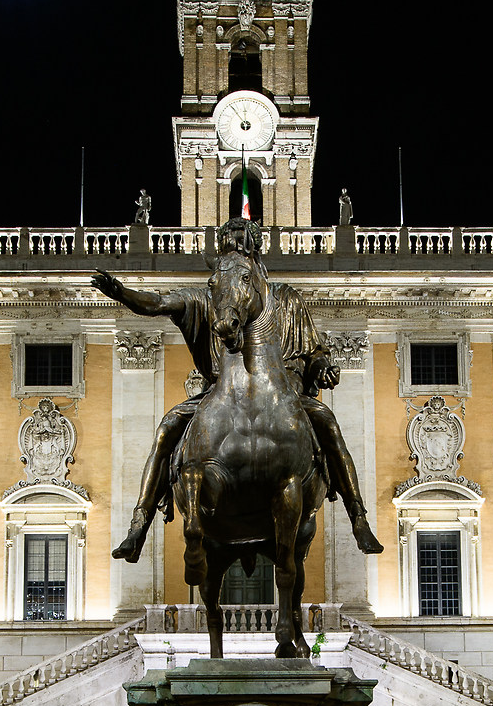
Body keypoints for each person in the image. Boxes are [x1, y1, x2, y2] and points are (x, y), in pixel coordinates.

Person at [93, 221, 381, 562]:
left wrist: (323, 369)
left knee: (329, 426)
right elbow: (158, 303)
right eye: (227, 244)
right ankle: (139, 523)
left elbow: (314, 351)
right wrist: (121, 293)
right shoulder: (208, 299)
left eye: (240, 244)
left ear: (254, 253)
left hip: (286, 394)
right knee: (167, 429)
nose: (233, 249)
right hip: (218, 394)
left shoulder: (286, 300)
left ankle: (358, 517)